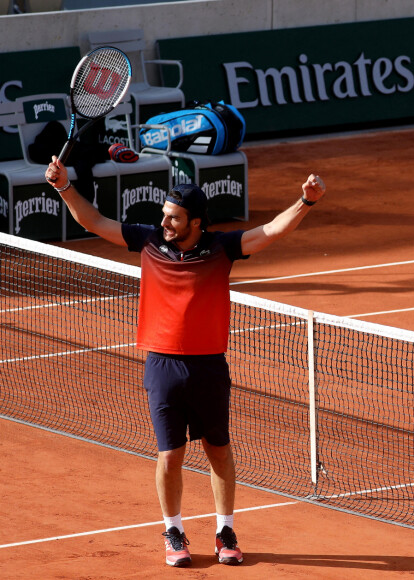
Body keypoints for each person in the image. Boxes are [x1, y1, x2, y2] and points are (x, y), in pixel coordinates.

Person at [45, 156, 326, 568]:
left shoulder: (221, 248)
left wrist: (306, 202)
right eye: (164, 216)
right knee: (170, 455)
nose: (165, 224)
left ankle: (225, 530)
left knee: (218, 449)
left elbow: (269, 231)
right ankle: (173, 531)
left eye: (174, 219)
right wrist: (64, 187)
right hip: (162, 366)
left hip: (209, 366)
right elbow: (94, 223)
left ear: (196, 222)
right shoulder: (147, 242)